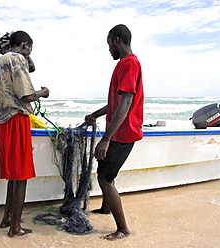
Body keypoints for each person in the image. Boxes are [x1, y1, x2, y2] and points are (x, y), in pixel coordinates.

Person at [0, 31, 50, 237]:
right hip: (16, 119)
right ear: (24, 45)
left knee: (12, 174)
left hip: (1, 121)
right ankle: (15, 227)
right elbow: (26, 95)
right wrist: (43, 92)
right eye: (29, 48)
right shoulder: (16, 59)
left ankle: (7, 218)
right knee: (21, 174)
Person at [85, 24, 144, 241]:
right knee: (107, 173)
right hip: (120, 131)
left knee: (105, 178)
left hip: (123, 133)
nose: (109, 48)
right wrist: (96, 114)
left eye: (109, 44)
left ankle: (123, 229)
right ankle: (105, 208)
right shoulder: (123, 64)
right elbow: (117, 102)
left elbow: (126, 103)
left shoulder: (129, 64)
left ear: (117, 40)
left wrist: (106, 138)